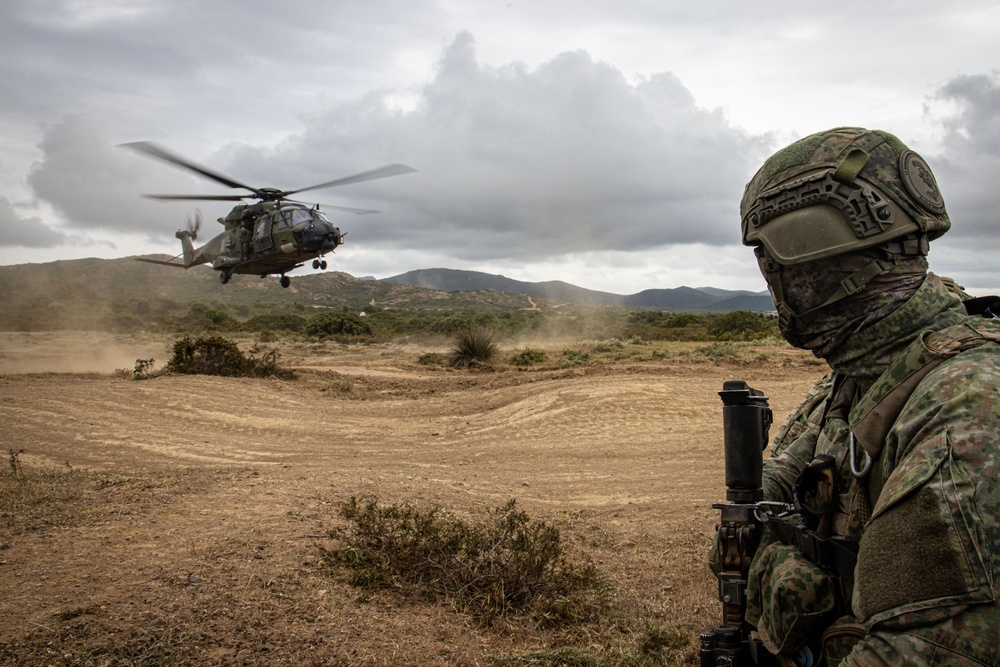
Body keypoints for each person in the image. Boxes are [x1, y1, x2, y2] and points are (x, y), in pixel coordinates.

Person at [735, 127, 1000, 664]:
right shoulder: (860, 376)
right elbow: (782, 492)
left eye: (769, 258)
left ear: (815, 255)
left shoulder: (968, 403)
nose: (769, 279)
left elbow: (926, 648)